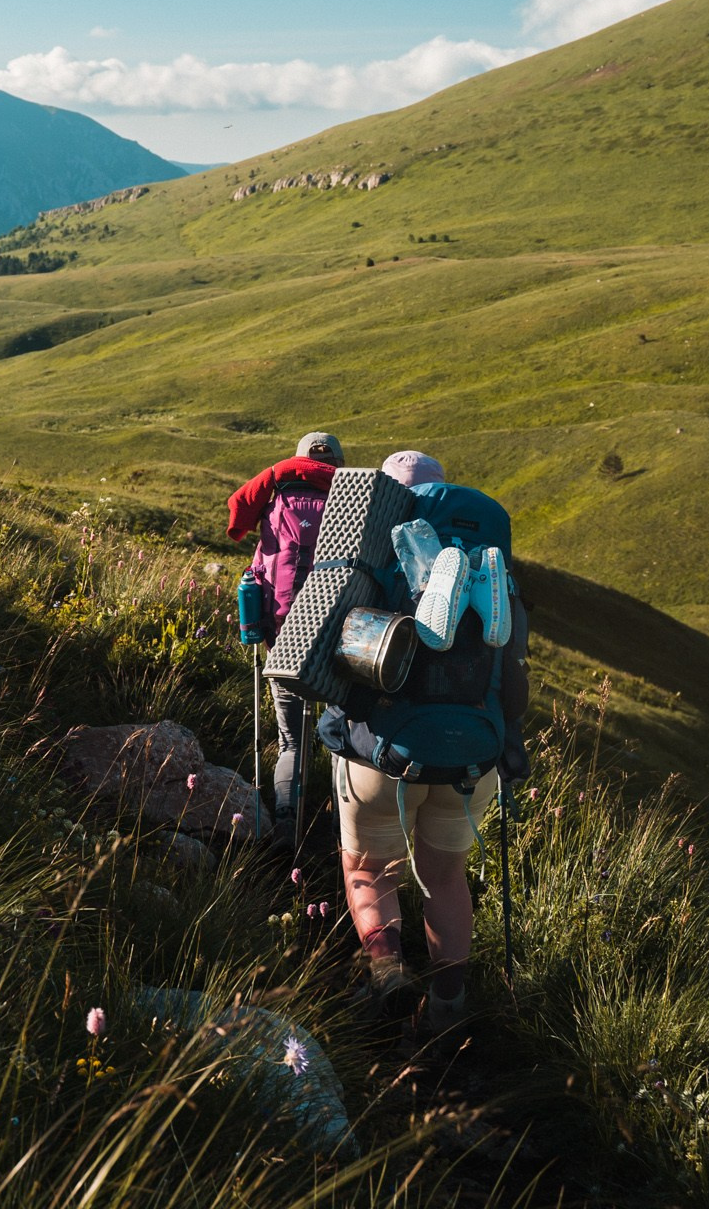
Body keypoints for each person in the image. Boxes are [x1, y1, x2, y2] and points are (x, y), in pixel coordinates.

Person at [333, 449, 528, 1035]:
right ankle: (447, 1007)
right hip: (472, 753)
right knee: (445, 878)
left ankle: (388, 971)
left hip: (382, 751)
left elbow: (322, 654)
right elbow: (513, 673)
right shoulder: (494, 562)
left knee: (370, 870)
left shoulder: (366, 554)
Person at [225, 431, 343, 837]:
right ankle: (343, 827)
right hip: (337, 639)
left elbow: (243, 517)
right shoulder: (351, 498)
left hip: (283, 632)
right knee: (342, 733)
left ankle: (286, 818)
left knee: (291, 740)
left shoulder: (275, 492)